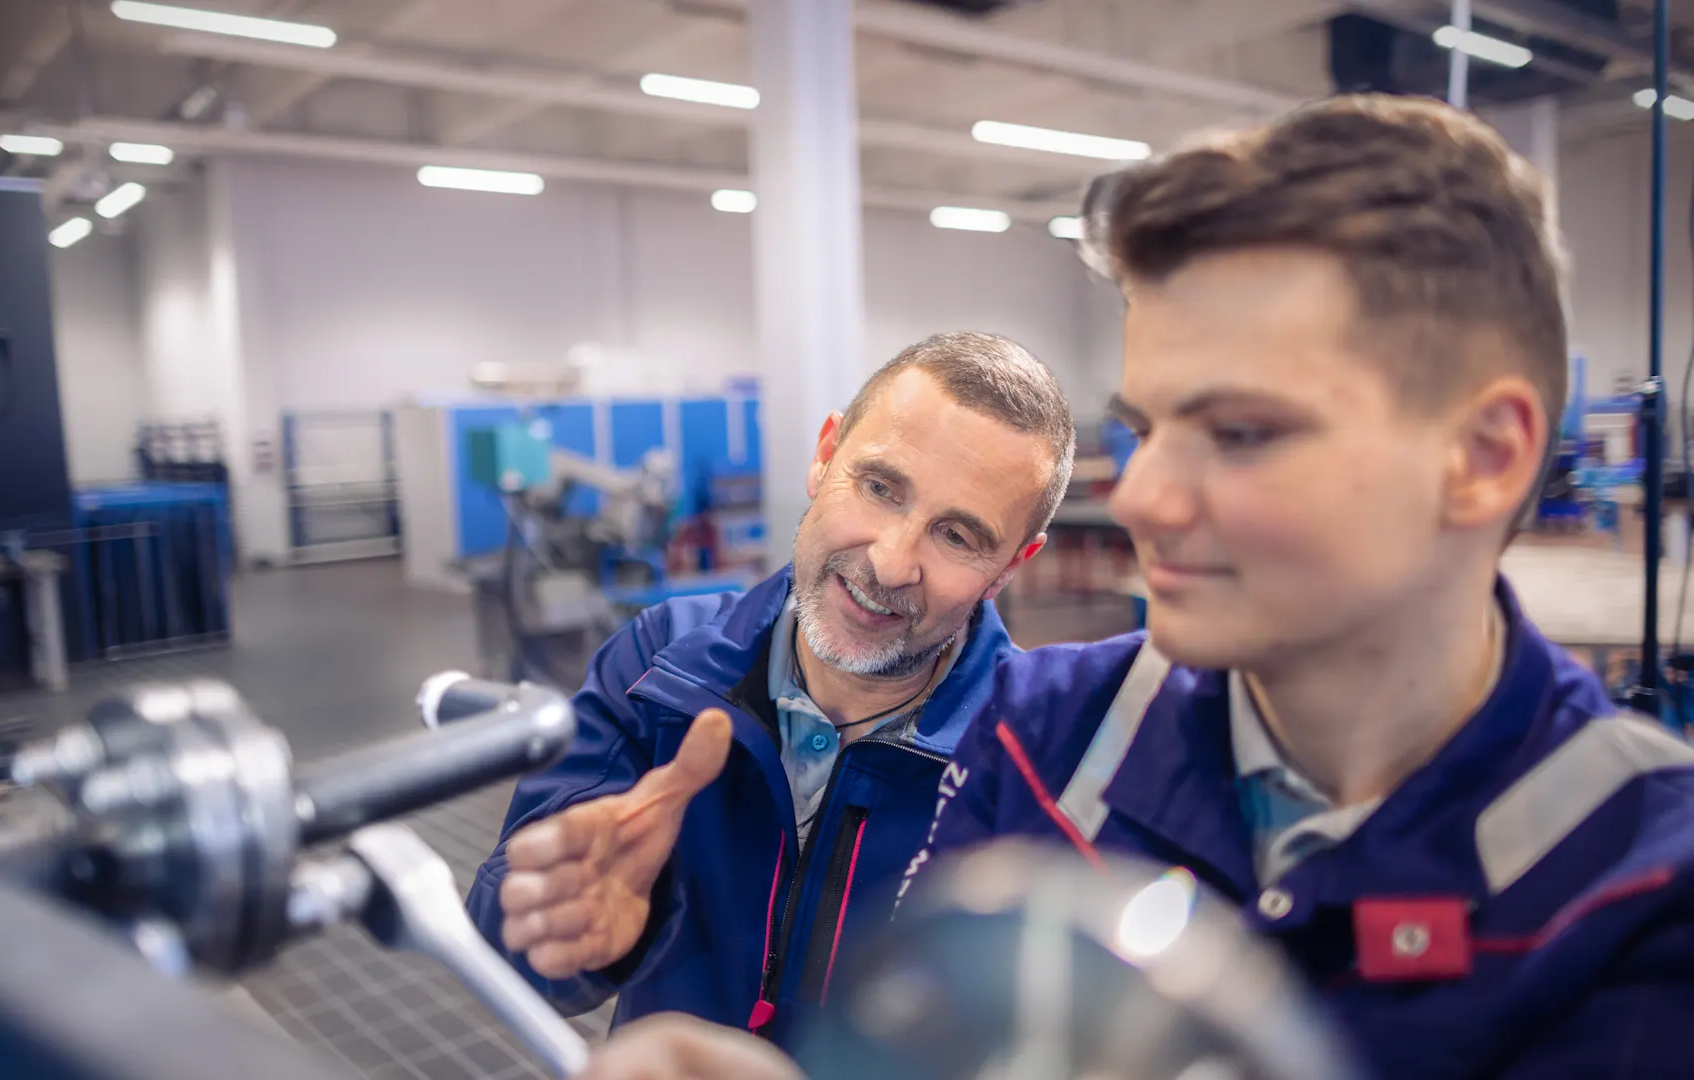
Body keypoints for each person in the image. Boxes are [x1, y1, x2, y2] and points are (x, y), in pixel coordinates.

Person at [905, 94, 1694, 1078]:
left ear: (1484, 458)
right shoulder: (1038, 737)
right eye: (1144, 429)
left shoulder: (1644, 883)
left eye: (1239, 433)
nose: (1143, 497)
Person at [464, 332, 1077, 1045]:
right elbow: (503, 940)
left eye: (958, 536)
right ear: (826, 456)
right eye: (880, 488)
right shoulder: (662, 666)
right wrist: (574, 925)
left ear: (1010, 567)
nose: (889, 561)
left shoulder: (1028, 760)